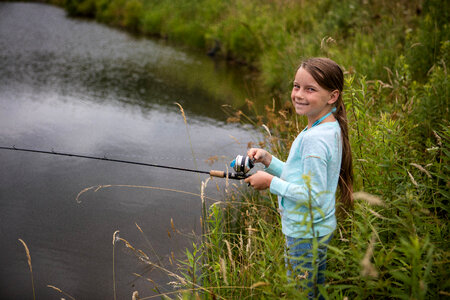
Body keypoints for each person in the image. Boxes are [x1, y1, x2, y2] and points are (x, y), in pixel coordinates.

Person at [244, 57, 353, 299]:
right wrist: (268, 160)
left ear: (332, 96)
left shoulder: (314, 138)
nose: (299, 94)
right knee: (317, 290)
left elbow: (310, 195)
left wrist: (270, 182)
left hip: (304, 233)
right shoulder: (328, 126)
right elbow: (303, 179)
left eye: (310, 89)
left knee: (302, 294)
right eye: (296, 86)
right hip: (320, 228)